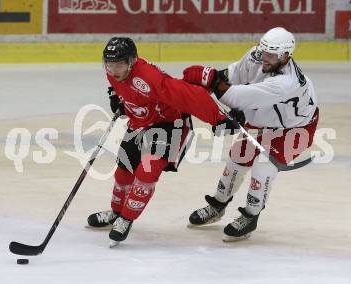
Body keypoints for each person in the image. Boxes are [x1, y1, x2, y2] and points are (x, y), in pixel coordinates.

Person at [182, 27, 319, 242]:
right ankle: (217, 205)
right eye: (264, 52)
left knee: (264, 166)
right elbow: (232, 76)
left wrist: (210, 80)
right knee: (237, 158)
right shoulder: (257, 55)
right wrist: (207, 82)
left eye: (271, 56)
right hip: (266, 117)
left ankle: (251, 216)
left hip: (295, 128)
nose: (264, 58)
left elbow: (234, 96)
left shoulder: (286, 83)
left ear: (286, 55)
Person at [87, 37, 225, 247]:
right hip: (140, 122)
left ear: (132, 62)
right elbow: (120, 86)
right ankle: (116, 213)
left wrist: (218, 118)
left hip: (169, 125)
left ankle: (127, 218)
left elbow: (189, 95)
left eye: (119, 65)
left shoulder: (149, 78)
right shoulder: (113, 71)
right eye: (110, 64)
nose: (113, 70)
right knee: (123, 171)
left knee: (147, 171)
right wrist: (117, 97)